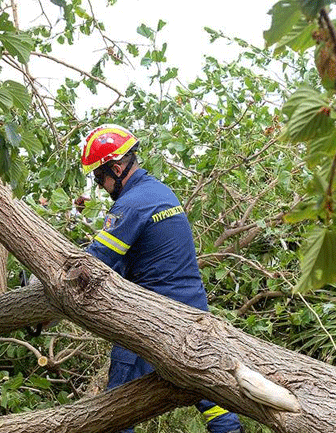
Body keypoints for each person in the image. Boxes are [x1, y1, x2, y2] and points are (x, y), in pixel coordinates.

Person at [80, 124, 244, 433]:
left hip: (153, 317)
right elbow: (139, 258)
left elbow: (95, 262)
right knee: (210, 395)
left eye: (99, 178)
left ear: (116, 169)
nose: (100, 186)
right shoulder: (161, 192)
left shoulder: (131, 203)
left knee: (116, 410)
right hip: (194, 313)